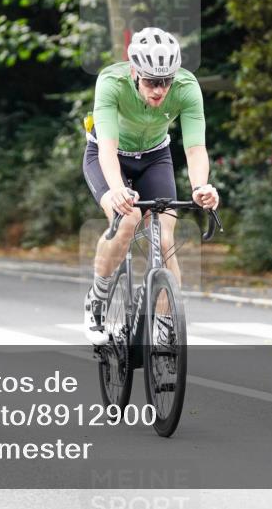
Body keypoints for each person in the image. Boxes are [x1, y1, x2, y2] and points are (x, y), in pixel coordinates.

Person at [81, 27, 219, 345]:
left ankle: (167, 324)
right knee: (127, 221)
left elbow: (196, 149)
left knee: (164, 235)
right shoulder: (111, 82)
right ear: (134, 72)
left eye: (166, 81)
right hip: (108, 155)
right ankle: (97, 299)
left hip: (155, 156)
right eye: (151, 82)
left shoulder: (186, 87)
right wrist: (117, 190)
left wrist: (201, 187)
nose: (159, 91)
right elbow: (106, 149)